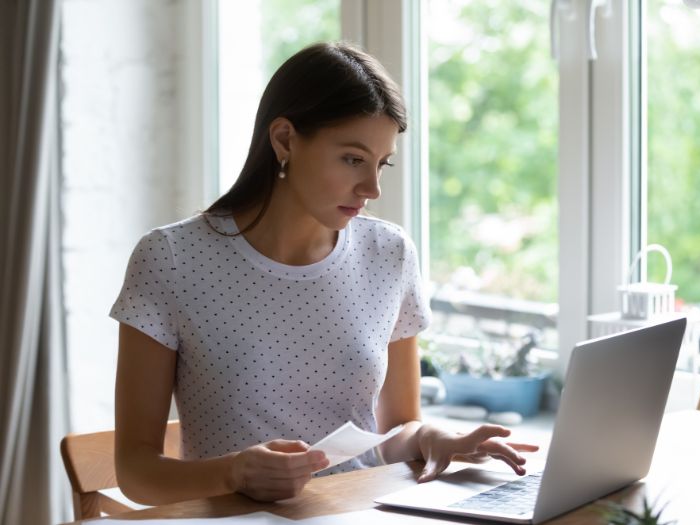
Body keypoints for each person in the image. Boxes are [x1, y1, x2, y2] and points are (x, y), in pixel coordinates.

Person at [111, 41, 537, 506]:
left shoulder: (389, 254)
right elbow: (136, 472)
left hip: (362, 514)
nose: (371, 187)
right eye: (353, 159)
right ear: (285, 140)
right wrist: (234, 473)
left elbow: (396, 431)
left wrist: (432, 437)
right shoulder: (171, 258)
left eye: (381, 163)